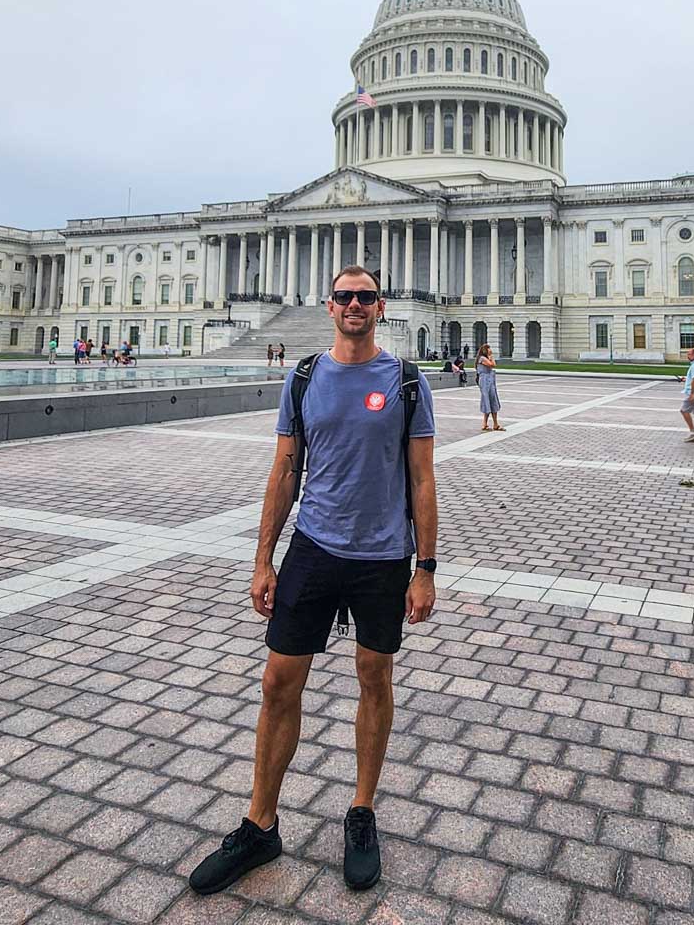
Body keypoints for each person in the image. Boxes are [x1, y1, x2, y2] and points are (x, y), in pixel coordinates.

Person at [188, 265, 437, 897]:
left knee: (374, 678)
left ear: (380, 307)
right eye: (345, 296)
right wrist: (262, 557)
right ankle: (259, 823)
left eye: (365, 296)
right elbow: (283, 469)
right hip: (315, 548)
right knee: (277, 681)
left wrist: (426, 569)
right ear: (330, 306)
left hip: (383, 557)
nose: (355, 305)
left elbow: (423, 479)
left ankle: (360, 813)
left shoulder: (408, 381)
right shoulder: (303, 378)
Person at [475, 343, 504, 431]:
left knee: (493, 400)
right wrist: (490, 356)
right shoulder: (482, 358)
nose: (490, 350)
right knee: (486, 400)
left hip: (490, 379)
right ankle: (485, 423)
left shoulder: (486, 358)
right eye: (489, 349)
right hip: (484, 380)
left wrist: (491, 356)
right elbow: (492, 364)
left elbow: (493, 364)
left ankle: (495, 424)